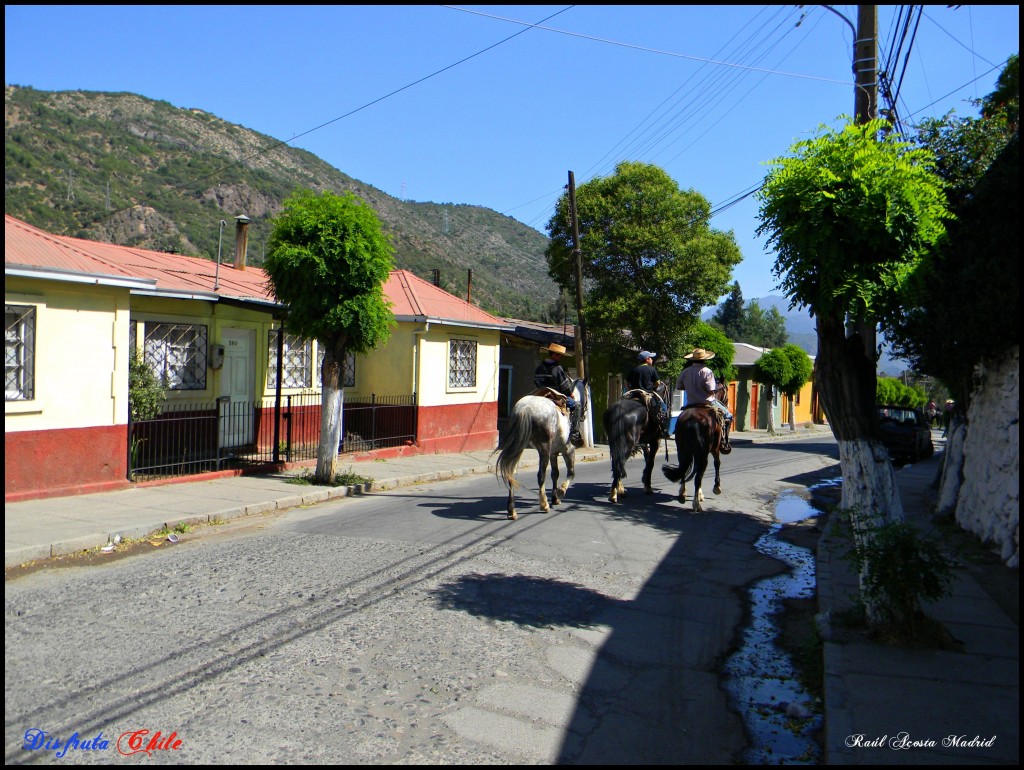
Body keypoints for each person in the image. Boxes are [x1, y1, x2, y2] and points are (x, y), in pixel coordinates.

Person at [676, 347, 733, 451]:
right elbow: (711, 390)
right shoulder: (707, 372)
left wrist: (690, 387)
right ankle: (724, 442)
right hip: (707, 402)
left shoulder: (685, 371)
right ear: (705, 359)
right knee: (728, 415)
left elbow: (679, 386)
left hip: (691, 403)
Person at [534, 343, 582, 445]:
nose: (561, 358)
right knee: (577, 405)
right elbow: (564, 386)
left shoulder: (539, 367)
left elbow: (536, 382)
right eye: (560, 356)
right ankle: (575, 433)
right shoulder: (557, 368)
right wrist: (570, 394)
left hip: (541, 394)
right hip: (554, 395)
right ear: (554, 355)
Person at [627, 350, 669, 437]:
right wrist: (654, 387)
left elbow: (626, 382)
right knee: (662, 407)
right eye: (650, 358)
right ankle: (662, 428)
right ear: (647, 359)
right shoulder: (651, 369)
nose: (652, 360)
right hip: (647, 394)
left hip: (634, 394)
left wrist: (630, 388)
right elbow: (658, 382)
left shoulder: (634, 369)